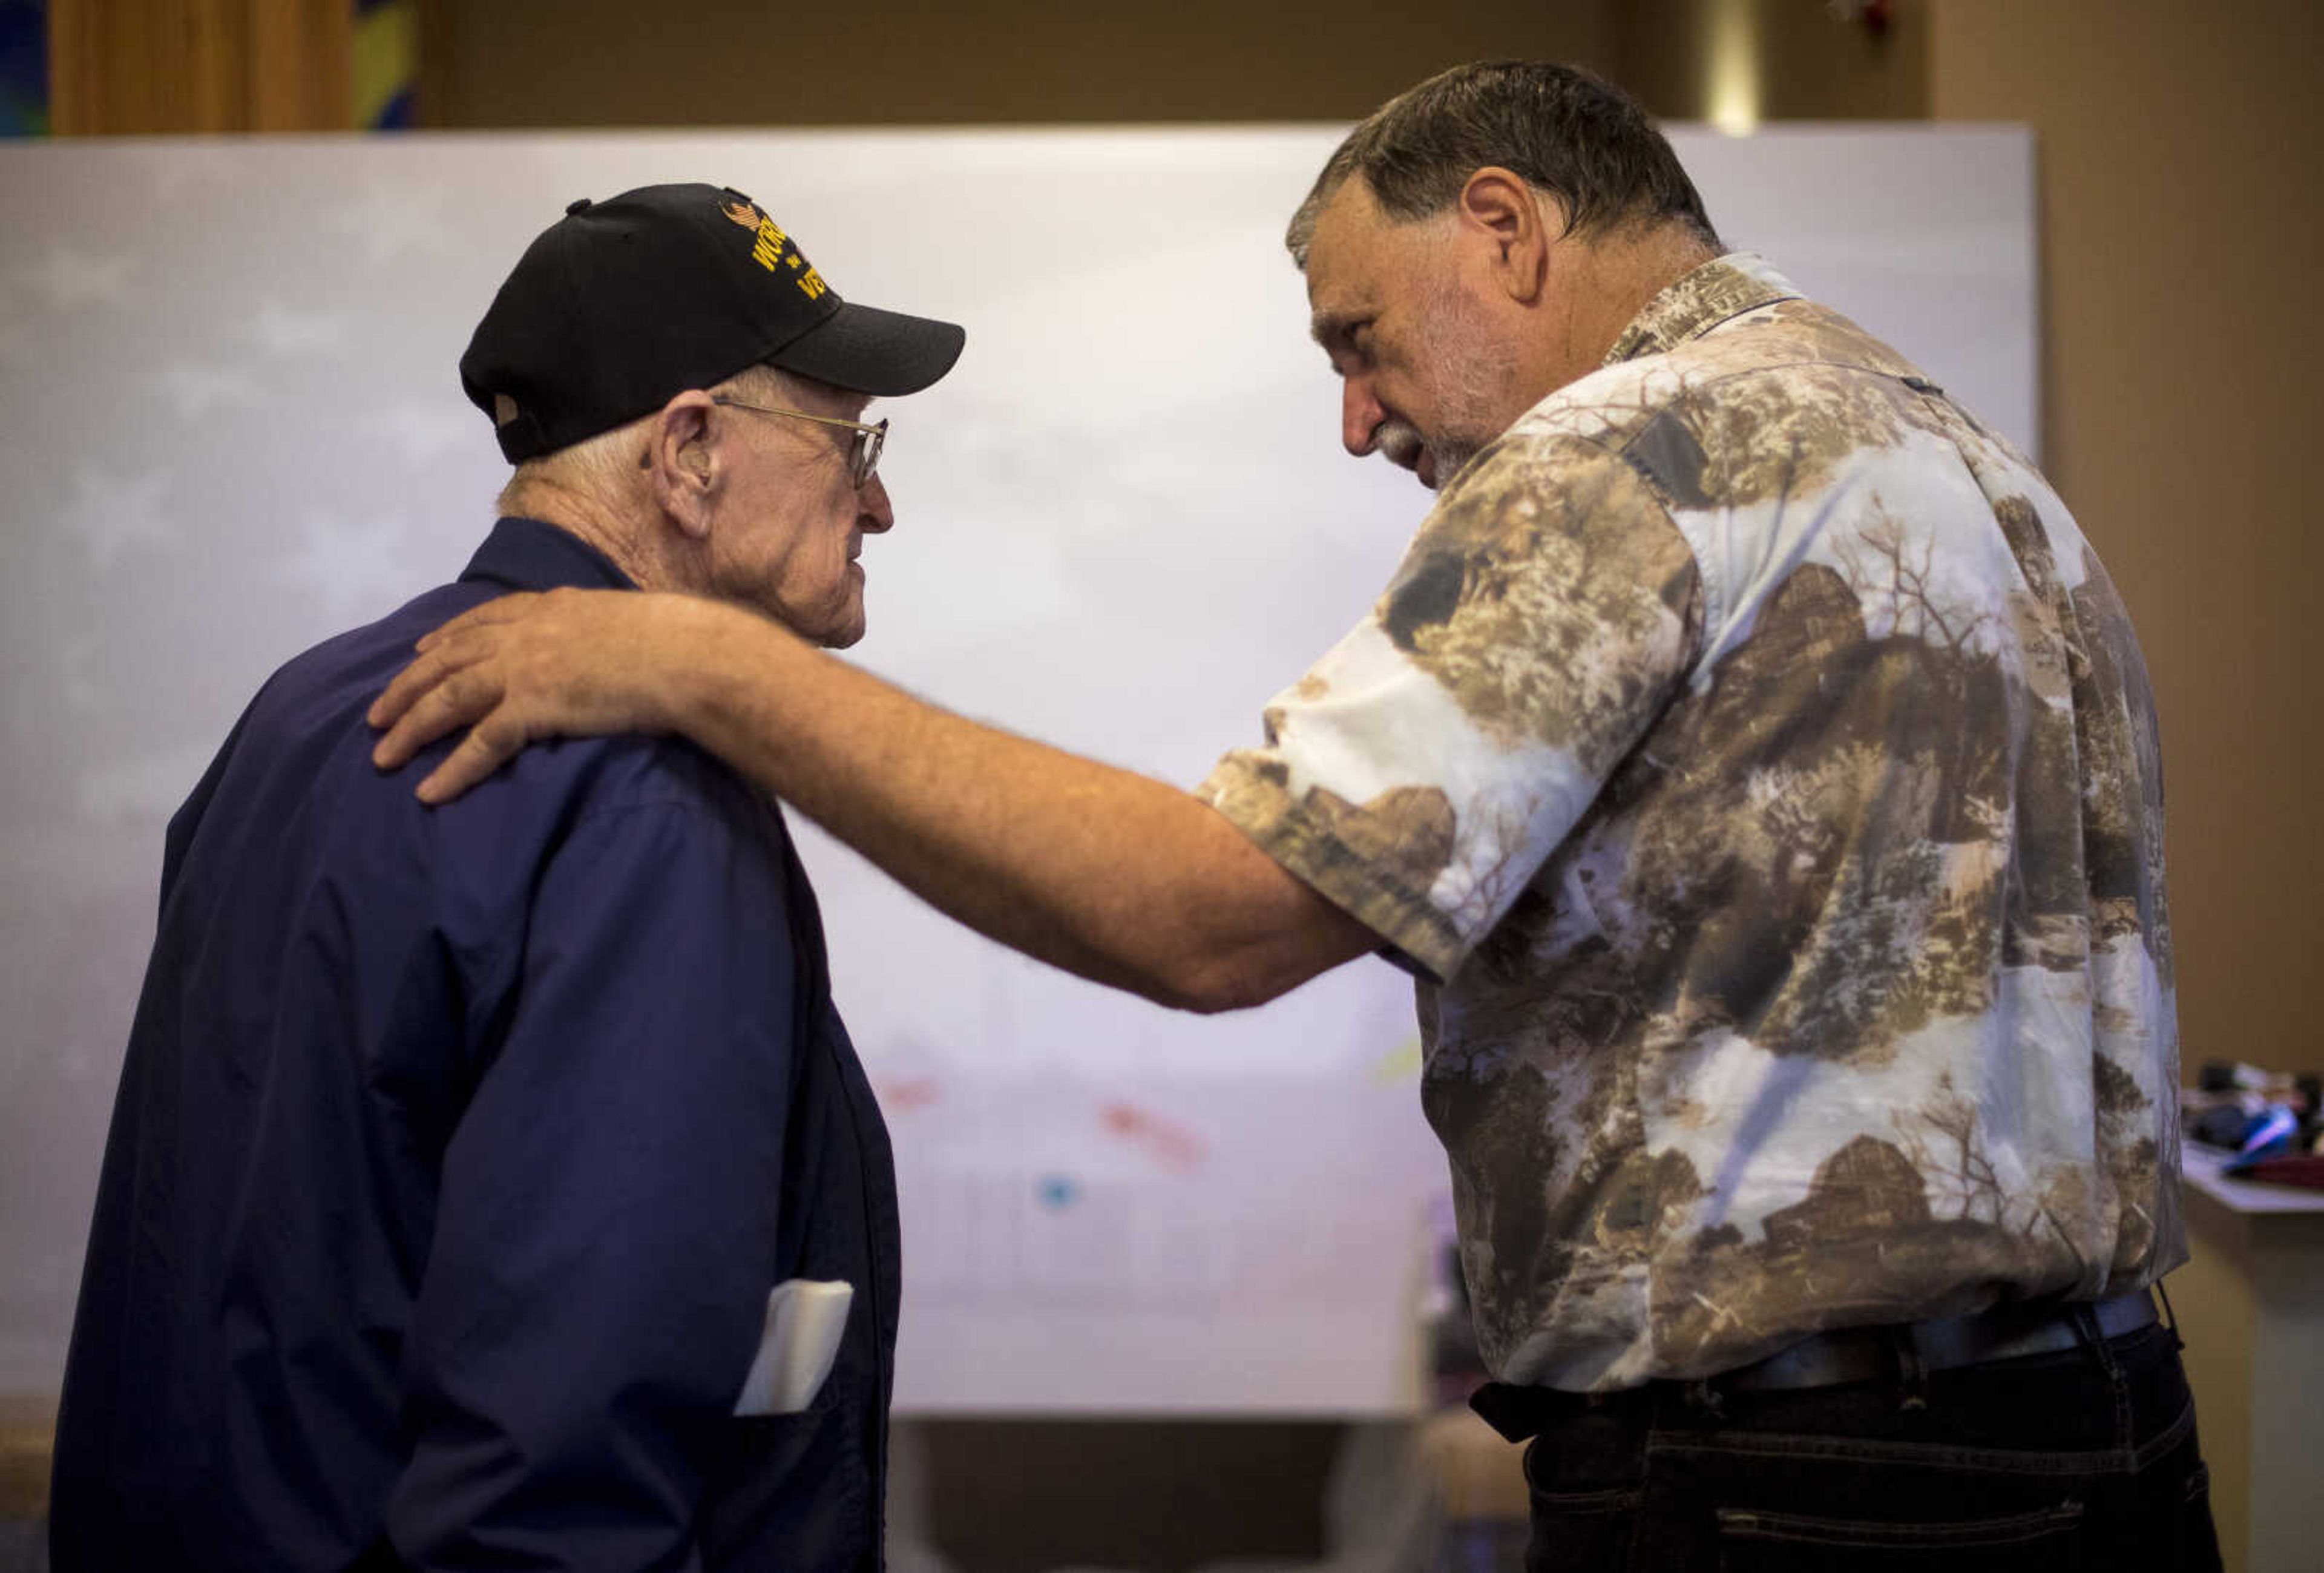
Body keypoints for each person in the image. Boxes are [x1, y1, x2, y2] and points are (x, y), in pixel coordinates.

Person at [368, 65, 2219, 1570]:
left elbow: (1217, 916)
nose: (1356, 420)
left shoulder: (1633, 452)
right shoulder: (1950, 448)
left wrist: (705, 670)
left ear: (1502, 228)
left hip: (1807, 1492)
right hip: (2103, 1436)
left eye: (1359, 336)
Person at [51, 182, 962, 1571]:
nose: (881, 500)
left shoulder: (302, 712)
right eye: (850, 440)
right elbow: (567, 1451)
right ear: (692, 452)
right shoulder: (643, 790)